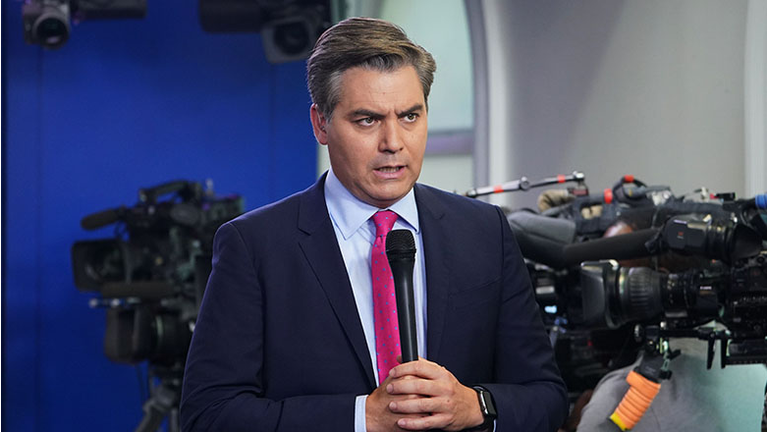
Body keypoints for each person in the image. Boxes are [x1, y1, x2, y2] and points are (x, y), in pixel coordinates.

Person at [180, 17, 568, 432]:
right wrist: (361, 417)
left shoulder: (484, 231)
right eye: (367, 120)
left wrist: (476, 405)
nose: (393, 142)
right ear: (321, 124)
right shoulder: (254, 246)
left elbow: (546, 397)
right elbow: (209, 415)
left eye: (409, 116)